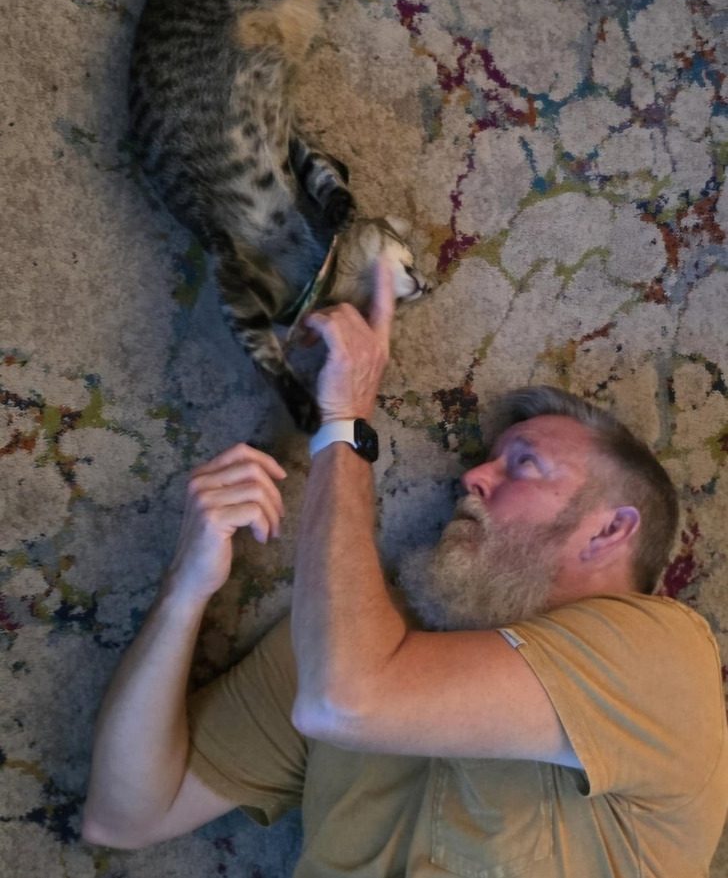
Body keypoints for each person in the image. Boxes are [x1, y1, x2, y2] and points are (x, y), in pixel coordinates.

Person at [82, 262, 728, 876]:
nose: (473, 478)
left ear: (610, 529)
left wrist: (344, 425)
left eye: (524, 464)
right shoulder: (347, 631)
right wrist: (186, 589)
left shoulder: (663, 655)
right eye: (487, 461)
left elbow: (348, 701)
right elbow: (126, 815)